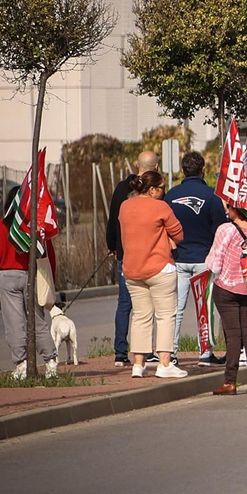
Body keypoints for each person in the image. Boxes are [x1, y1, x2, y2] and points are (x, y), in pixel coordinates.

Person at [0, 190, 59, 380]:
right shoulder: (36, 227)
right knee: (37, 320)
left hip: (8, 276)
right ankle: (50, 360)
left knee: (14, 322)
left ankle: (21, 364)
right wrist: (51, 278)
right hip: (31, 274)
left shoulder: (3, 225)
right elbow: (48, 254)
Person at [118, 170, 187, 379]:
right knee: (165, 315)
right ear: (152, 189)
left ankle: (138, 364)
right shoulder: (161, 207)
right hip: (159, 267)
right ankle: (164, 363)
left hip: (132, 269)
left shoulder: (125, 206)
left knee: (140, 316)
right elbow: (179, 234)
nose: (164, 191)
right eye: (162, 187)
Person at [164, 151, 229, 364]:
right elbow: (220, 228)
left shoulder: (171, 195)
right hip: (204, 259)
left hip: (179, 257)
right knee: (205, 307)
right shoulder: (212, 196)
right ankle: (205, 353)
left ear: (183, 170)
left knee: (176, 309)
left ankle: (171, 352)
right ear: (203, 170)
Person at [107, 150, 157, 366]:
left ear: (137, 164)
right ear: (156, 167)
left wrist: (112, 245)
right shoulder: (153, 190)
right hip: (148, 253)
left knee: (124, 303)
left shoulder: (121, 188)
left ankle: (120, 351)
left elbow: (112, 220)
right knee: (146, 305)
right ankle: (144, 350)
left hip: (125, 252)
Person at [206, 206, 247, 396]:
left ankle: (230, 381)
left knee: (233, 335)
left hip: (226, 285)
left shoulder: (226, 229)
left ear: (235, 210)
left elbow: (215, 262)